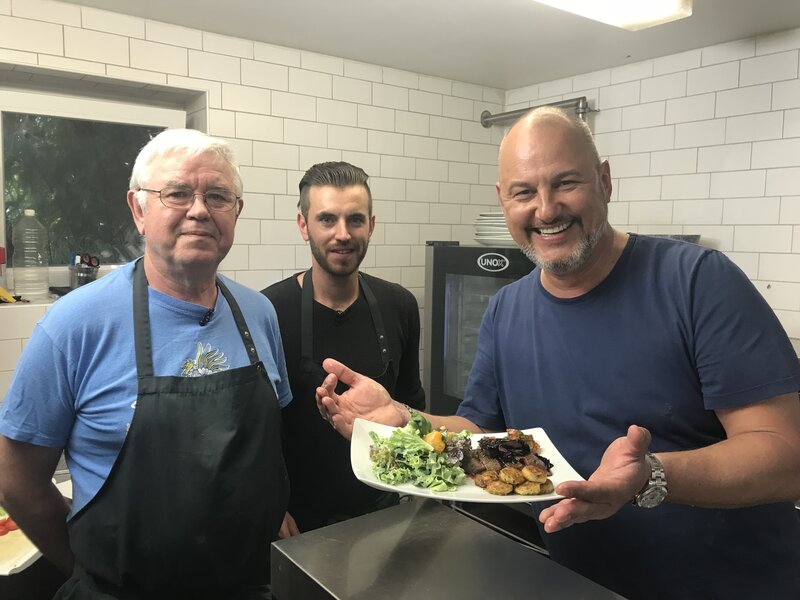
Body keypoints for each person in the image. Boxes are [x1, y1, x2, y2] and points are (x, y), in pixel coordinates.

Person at [315, 107, 800, 600]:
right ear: (503, 201)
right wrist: (402, 418)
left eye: (566, 183)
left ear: (604, 181)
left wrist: (651, 475)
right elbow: (480, 434)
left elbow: (786, 454)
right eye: (524, 192)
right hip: (579, 584)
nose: (546, 210)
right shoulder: (507, 309)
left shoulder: (697, 281)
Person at [0, 129, 292, 599]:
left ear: (236, 212)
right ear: (138, 209)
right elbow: (15, 478)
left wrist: (270, 509)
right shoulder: (74, 324)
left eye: (217, 196)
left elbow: (261, 446)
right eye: (177, 193)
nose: (200, 209)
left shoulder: (259, 314)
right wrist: (86, 568)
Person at [262, 161, 424, 534]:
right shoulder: (268, 310)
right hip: (299, 518)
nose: (342, 234)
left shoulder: (399, 304)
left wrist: (418, 487)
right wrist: (272, 504)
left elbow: (413, 405)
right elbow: (259, 431)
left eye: (355, 219)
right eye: (327, 219)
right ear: (304, 226)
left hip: (384, 507)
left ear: (371, 224)